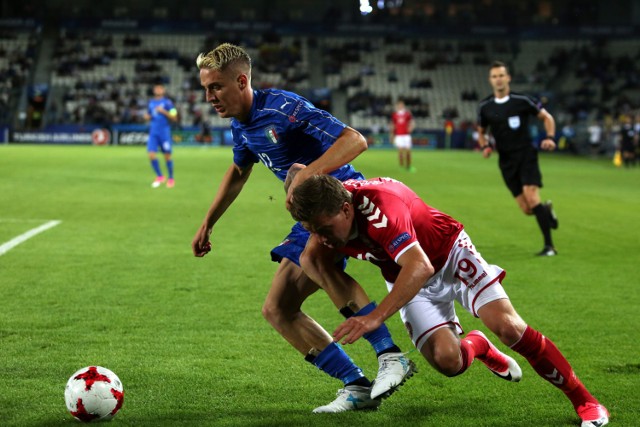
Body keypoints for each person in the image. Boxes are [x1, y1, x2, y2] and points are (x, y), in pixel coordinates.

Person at [287, 169, 609, 427]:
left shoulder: (379, 208)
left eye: (324, 228)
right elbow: (300, 178)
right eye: (312, 229)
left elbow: (420, 264)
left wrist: (375, 317)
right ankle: (477, 345)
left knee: (510, 328)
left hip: (448, 255)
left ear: (346, 209)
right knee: (447, 363)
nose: (320, 237)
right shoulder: (326, 223)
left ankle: (585, 401)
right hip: (407, 278)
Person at [190, 43, 415, 412]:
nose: (208, 96)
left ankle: (390, 354)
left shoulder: (283, 107)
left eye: (215, 86)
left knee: (315, 260)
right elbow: (238, 171)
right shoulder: (240, 125)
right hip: (309, 213)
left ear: (242, 80)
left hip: (338, 201)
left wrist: (305, 175)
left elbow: (354, 140)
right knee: (278, 309)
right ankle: (357, 385)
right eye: (205, 88)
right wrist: (208, 223)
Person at [476, 61, 558, 256]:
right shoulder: (485, 106)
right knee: (528, 209)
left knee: (532, 196)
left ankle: (549, 247)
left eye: (501, 75)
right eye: (494, 76)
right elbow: (481, 131)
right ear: (490, 80)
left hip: (526, 155)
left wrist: (550, 137)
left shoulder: (522, 100)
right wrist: (485, 146)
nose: (498, 79)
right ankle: (546, 211)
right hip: (506, 161)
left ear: (508, 78)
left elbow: (547, 117)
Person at [144, 83, 178, 188]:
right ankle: (160, 176)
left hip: (164, 132)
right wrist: (147, 117)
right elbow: (149, 115)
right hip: (153, 132)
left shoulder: (168, 103)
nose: (158, 90)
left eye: (160, 88)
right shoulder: (151, 103)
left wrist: (163, 111)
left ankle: (171, 178)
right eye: (156, 88)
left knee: (167, 156)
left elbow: (174, 117)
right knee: (151, 155)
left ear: (163, 90)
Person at [390, 100, 416, 172]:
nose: (400, 106)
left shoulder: (407, 114)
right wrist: (392, 135)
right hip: (399, 135)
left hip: (406, 135)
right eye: (399, 105)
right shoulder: (395, 115)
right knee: (400, 151)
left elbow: (412, 122)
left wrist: (411, 127)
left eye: (401, 105)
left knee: (408, 151)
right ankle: (401, 166)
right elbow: (393, 125)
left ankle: (408, 166)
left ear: (403, 106)